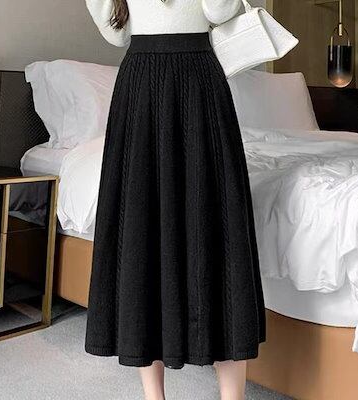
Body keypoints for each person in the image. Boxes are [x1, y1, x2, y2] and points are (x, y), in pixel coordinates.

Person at [84, 1, 266, 399]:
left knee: (219, 229)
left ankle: (232, 396)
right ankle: (154, 397)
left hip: (199, 81)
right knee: (142, 229)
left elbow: (219, 11)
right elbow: (116, 33)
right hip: (141, 85)